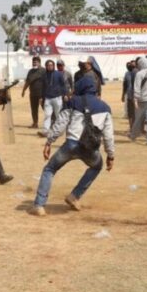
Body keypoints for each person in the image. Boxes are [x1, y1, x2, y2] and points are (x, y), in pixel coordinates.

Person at [29, 77, 115, 216]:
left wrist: (49, 142)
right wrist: (110, 156)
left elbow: (60, 124)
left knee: (50, 169)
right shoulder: (105, 107)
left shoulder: (73, 101)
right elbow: (108, 135)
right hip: (90, 148)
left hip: (71, 144)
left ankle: (39, 205)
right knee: (96, 166)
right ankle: (74, 196)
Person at [39, 60, 67, 137]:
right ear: (46, 66)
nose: (49, 66)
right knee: (47, 115)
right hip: (47, 98)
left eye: (51, 65)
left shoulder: (58, 74)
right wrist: (41, 97)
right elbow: (42, 87)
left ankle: (59, 130)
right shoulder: (44, 75)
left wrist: (64, 95)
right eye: (48, 65)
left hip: (57, 98)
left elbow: (63, 85)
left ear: (53, 66)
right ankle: (45, 131)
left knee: (58, 115)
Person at [22, 56, 44, 128]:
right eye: (33, 62)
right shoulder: (30, 71)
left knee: (46, 109)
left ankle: (51, 124)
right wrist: (24, 90)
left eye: (36, 62)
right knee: (34, 109)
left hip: (42, 94)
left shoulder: (44, 71)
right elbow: (28, 81)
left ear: (39, 63)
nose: (34, 64)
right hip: (33, 94)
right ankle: (35, 123)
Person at [122, 60, 137, 131]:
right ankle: (131, 128)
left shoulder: (138, 73)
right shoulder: (126, 74)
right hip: (129, 96)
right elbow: (124, 85)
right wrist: (123, 95)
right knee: (130, 113)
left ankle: (137, 128)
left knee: (136, 113)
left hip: (137, 96)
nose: (130, 66)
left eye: (132, 65)